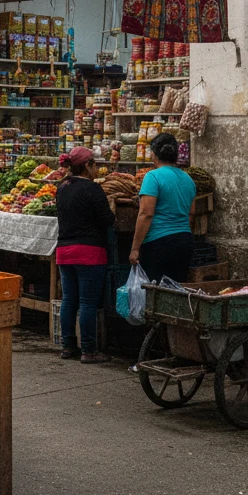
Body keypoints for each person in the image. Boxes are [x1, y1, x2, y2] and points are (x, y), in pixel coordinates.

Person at [54, 146, 115, 363]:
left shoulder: (62, 188)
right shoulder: (93, 189)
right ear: (87, 166)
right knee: (88, 302)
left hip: (64, 251)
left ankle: (68, 346)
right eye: (94, 164)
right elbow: (107, 220)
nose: (97, 168)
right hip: (89, 252)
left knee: (69, 300)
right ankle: (89, 350)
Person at [129, 133, 197, 284]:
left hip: (158, 243)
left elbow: (146, 214)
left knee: (156, 293)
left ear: (154, 154)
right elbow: (191, 214)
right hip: (184, 241)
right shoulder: (189, 179)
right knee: (177, 290)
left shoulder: (152, 177)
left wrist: (135, 248)